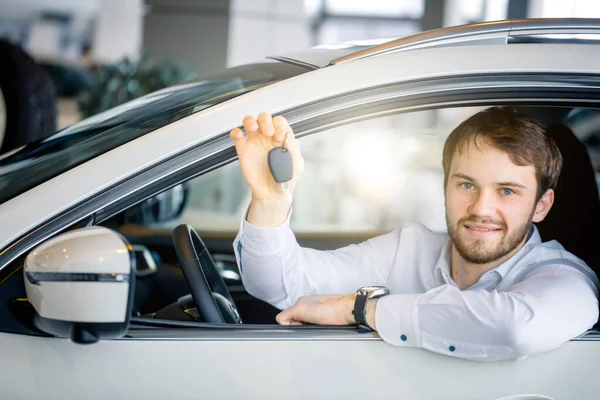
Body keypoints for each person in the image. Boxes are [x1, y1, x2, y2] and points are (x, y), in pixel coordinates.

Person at [228, 107, 599, 361]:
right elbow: (281, 285)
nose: (482, 208)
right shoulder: (408, 249)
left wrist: (359, 310)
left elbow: (514, 328)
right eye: (467, 185)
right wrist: (271, 198)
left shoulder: (567, 278)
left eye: (507, 191)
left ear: (541, 205)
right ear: (445, 186)